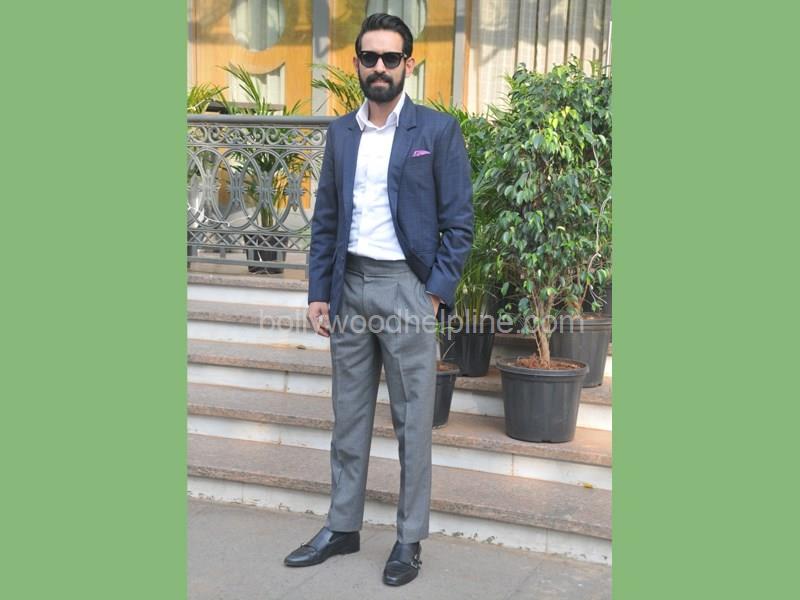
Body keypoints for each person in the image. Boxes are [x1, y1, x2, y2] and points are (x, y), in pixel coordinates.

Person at [283, 13, 473, 587]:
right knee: (349, 417)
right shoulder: (342, 133)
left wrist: (434, 294)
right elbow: (327, 219)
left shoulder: (436, 132)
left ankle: (409, 540)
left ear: (408, 64)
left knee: (413, 422)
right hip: (349, 288)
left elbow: (459, 225)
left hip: (406, 288)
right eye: (371, 57)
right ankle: (343, 527)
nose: (380, 67)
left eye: (392, 58)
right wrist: (319, 291)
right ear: (357, 63)